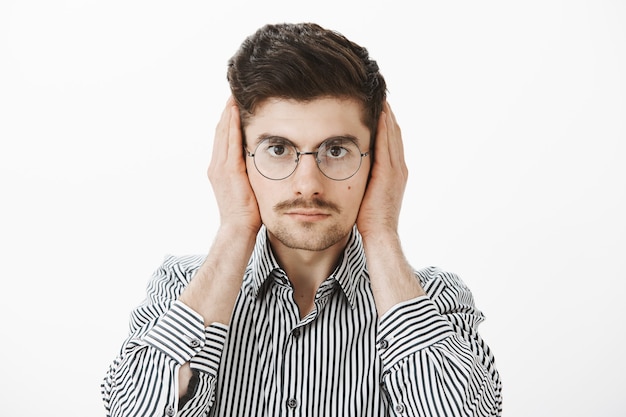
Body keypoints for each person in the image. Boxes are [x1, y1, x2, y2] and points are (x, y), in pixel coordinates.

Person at [102, 22, 502, 417]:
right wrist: (236, 227)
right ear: (239, 160)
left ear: (377, 160)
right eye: (278, 149)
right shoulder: (180, 287)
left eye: (337, 150)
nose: (307, 185)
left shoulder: (436, 299)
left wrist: (380, 229)